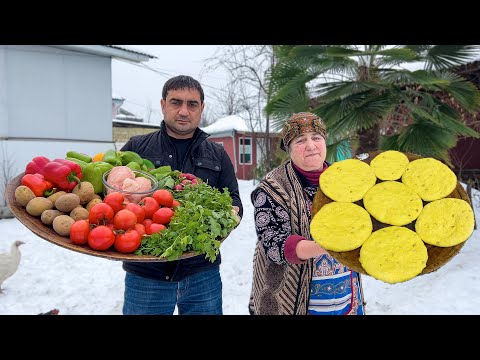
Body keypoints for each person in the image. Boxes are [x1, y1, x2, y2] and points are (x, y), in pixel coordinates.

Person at [120, 75, 243, 315]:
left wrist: (226, 218)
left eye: (192, 104)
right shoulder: (137, 147)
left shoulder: (217, 154)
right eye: (176, 102)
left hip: (201, 272)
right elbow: (111, 196)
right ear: (163, 104)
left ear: (202, 108)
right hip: (147, 274)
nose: (184, 111)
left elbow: (235, 201)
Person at [248, 112, 365, 315]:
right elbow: (273, 243)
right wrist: (326, 246)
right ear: (289, 148)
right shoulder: (272, 189)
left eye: (316, 138)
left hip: (346, 296)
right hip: (293, 300)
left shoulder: (344, 181)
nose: (311, 145)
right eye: (301, 140)